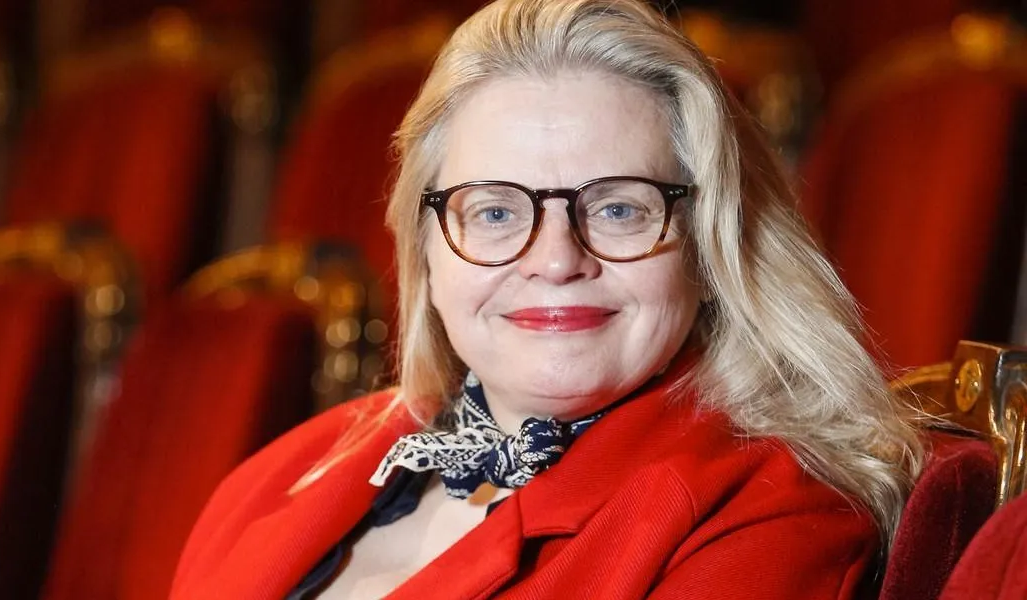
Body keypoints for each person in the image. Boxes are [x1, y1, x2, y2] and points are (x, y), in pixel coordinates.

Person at [171, 0, 925, 597]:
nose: (557, 259)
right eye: (496, 211)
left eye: (619, 208)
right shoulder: (275, 478)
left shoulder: (768, 519)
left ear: (708, 244)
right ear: (426, 247)